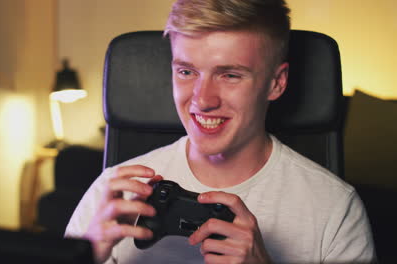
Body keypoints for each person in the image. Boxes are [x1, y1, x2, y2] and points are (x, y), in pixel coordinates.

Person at [65, 0, 376, 263]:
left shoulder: (335, 209)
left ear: (276, 83)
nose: (202, 100)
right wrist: (86, 255)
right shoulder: (113, 192)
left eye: (229, 75)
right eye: (186, 71)